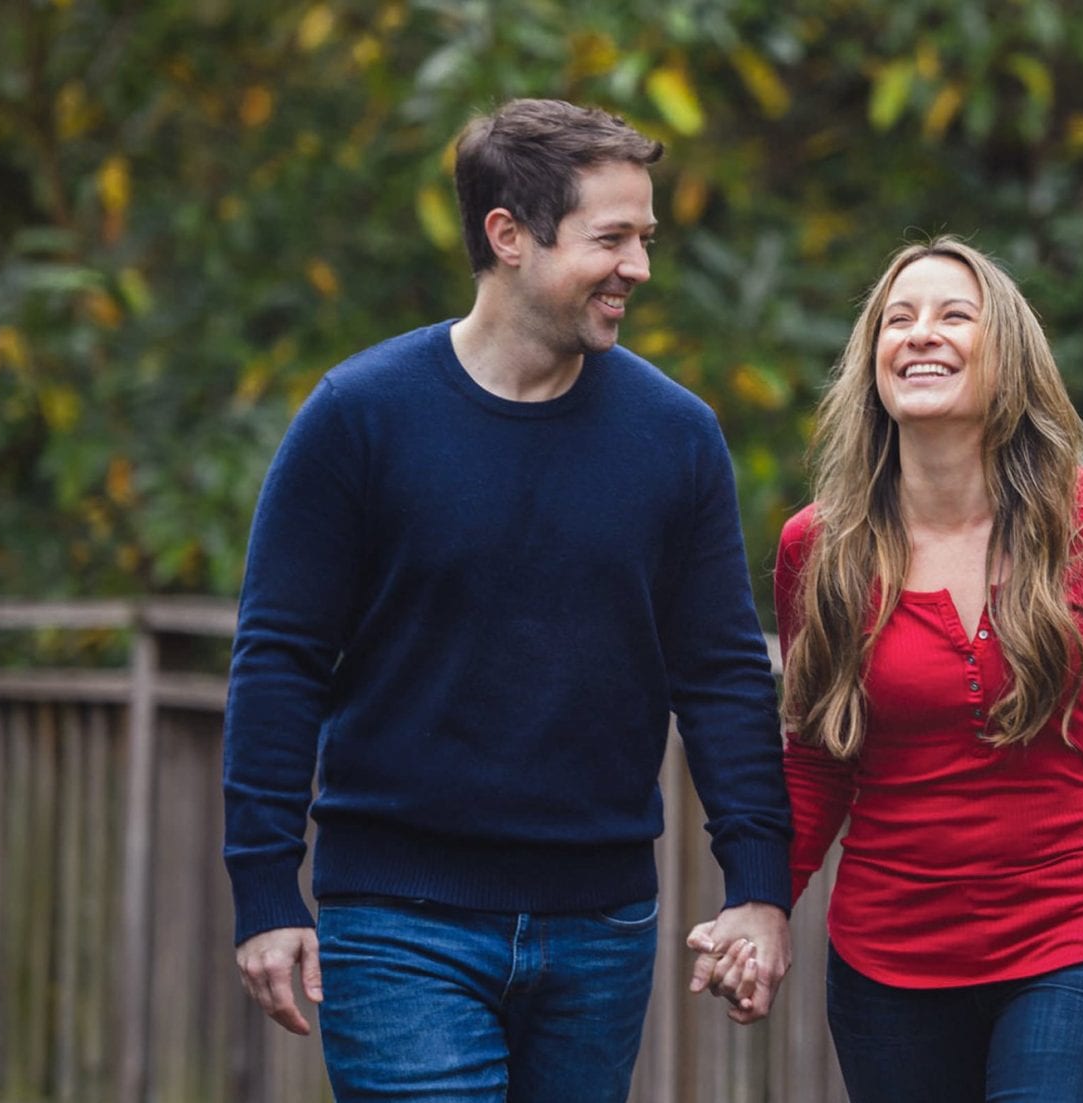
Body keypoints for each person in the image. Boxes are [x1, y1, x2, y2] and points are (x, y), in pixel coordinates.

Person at [221, 98, 791, 1103]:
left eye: (645, 239)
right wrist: (265, 884)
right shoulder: (360, 416)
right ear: (508, 235)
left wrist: (757, 883)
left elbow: (720, 672)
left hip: (603, 923)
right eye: (611, 238)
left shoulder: (676, 436)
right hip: (398, 915)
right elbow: (280, 655)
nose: (639, 268)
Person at [700, 238, 1083, 1102]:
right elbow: (819, 756)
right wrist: (761, 902)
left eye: (953, 316)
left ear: (1007, 354)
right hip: (891, 958)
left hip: (1081, 931)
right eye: (896, 320)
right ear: (873, 363)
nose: (920, 334)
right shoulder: (818, 549)